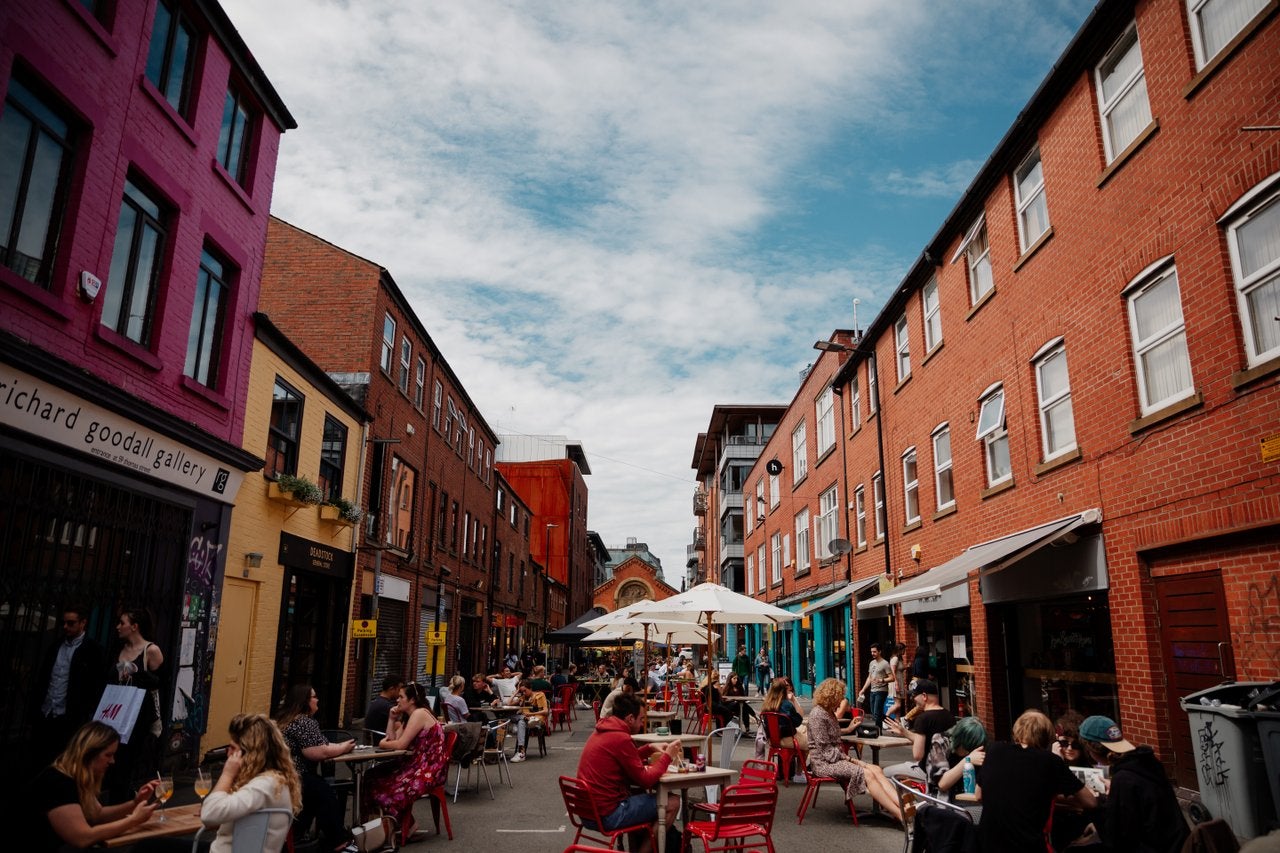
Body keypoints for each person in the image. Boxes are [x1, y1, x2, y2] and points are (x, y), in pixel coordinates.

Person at [22, 720, 159, 850]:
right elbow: (82, 837)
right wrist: (133, 820)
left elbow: (97, 815)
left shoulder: (78, 778)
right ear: (89, 753)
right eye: (108, 755)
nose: (112, 761)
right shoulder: (59, 782)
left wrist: (135, 803)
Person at [975, 710, 1096, 853]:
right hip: (1028, 846)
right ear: (1047, 737)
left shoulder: (995, 750)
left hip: (987, 844)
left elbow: (979, 795)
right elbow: (1091, 802)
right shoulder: (1051, 761)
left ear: (1017, 731)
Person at [576, 692, 683, 853]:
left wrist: (649, 748)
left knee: (637, 793)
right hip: (608, 815)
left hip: (587, 813)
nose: (642, 725)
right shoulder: (621, 738)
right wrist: (668, 756)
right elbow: (645, 780)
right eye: (641, 720)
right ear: (630, 718)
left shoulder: (603, 730)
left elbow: (624, 759)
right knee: (673, 802)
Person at [1078, 715, 1189, 853]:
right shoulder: (1148, 763)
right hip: (1175, 843)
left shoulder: (1123, 779)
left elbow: (1117, 839)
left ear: (1091, 750)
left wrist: (1096, 804)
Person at [199, 713, 302, 853]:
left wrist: (227, 774)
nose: (228, 754)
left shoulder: (265, 785)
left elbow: (210, 814)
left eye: (232, 748)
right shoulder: (274, 782)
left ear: (249, 753)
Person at [363, 682, 449, 846]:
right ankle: (385, 828)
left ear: (412, 700)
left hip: (429, 770)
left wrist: (382, 744)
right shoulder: (410, 716)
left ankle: (401, 826)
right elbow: (393, 740)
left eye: (401, 697)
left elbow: (398, 744)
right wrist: (391, 719)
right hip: (415, 765)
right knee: (371, 776)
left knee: (387, 786)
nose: (397, 700)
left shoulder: (419, 714)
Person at [806, 678, 903, 822]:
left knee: (876, 769)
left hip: (834, 759)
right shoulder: (818, 715)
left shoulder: (827, 712)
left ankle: (903, 808)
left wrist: (849, 729)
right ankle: (901, 816)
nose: (842, 701)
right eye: (840, 697)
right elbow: (827, 751)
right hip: (824, 764)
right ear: (831, 696)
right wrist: (853, 760)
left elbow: (832, 735)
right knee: (868, 773)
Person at [275, 684, 357, 853]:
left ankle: (298, 836)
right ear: (305, 701)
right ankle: (337, 841)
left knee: (314, 796)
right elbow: (317, 752)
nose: (317, 699)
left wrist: (339, 745)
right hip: (296, 775)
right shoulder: (303, 721)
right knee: (324, 794)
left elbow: (321, 744)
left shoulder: (287, 720)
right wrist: (343, 748)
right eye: (314, 697)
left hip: (281, 774)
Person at [32, 604, 106, 770]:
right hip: (47, 713)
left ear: (83, 623)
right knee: (42, 760)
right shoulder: (56, 646)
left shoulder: (93, 650)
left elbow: (96, 685)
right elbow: (44, 677)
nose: (66, 627)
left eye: (71, 623)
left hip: (70, 718)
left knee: (66, 762)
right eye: (64, 623)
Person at [106, 607, 165, 802]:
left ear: (134, 627)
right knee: (112, 764)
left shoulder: (151, 651)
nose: (118, 627)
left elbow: (160, 683)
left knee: (127, 763)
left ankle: (126, 805)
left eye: (122, 623)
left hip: (137, 717)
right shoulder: (118, 649)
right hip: (114, 714)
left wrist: (136, 673)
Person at [885, 679, 955, 768]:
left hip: (927, 770)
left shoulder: (923, 719)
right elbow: (926, 741)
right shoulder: (949, 716)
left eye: (914, 695)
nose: (913, 699)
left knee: (886, 772)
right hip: (947, 768)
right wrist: (903, 731)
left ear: (924, 696)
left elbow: (917, 755)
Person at [761, 677, 806, 780]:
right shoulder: (786, 705)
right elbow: (798, 721)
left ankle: (791, 772)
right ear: (783, 690)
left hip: (772, 740)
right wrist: (793, 700)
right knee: (809, 744)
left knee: (803, 731)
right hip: (787, 739)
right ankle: (799, 774)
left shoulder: (767, 705)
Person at [932, 715, 987, 800]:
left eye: (973, 748)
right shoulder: (940, 742)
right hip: (943, 801)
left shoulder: (979, 747)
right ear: (958, 740)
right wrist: (968, 760)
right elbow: (942, 784)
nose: (969, 752)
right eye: (967, 748)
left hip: (969, 801)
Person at [508, 682, 548, 762]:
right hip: (526, 719)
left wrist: (531, 714)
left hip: (536, 720)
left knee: (521, 722)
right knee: (511, 718)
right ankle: (521, 753)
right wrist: (516, 692)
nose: (524, 693)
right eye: (522, 691)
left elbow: (545, 711)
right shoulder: (523, 697)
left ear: (530, 688)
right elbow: (509, 703)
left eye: (525, 691)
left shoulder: (539, 695)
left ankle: (521, 753)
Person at [856, 642, 894, 726]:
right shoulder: (871, 663)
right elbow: (869, 678)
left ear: (879, 652)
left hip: (881, 690)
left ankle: (878, 730)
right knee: (874, 713)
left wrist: (882, 680)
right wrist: (863, 689)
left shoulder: (885, 663)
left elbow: (892, 678)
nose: (872, 653)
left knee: (877, 713)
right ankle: (893, 722)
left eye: (874, 652)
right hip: (872, 690)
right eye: (871, 652)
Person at [884, 642, 907, 720]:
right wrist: (896, 683)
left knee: (898, 705)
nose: (905, 651)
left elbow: (899, 669)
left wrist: (906, 667)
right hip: (895, 682)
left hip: (899, 681)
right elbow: (892, 671)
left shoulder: (899, 659)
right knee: (898, 705)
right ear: (900, 650)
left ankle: (897, 723)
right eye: (904, 650)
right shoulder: (895, 658)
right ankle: (885, 717)